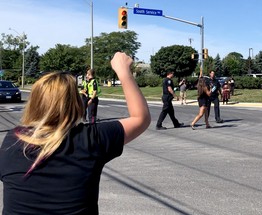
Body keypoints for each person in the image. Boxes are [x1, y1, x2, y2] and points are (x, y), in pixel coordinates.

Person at [0, 52, 151, 214]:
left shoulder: (13, 139)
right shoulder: (92, 138)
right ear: (74, 103)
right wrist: (123, 72)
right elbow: (141, 118)